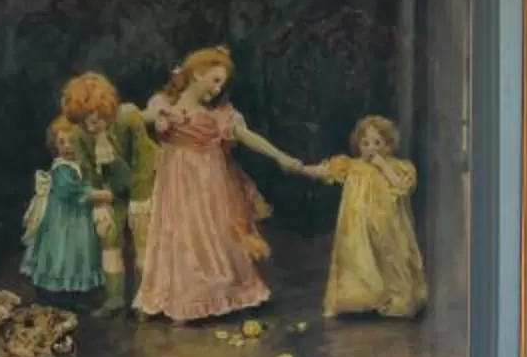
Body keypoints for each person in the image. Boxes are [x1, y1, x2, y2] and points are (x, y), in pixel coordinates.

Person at [137, 46, 300, 324]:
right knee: (180, 233)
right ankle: (181, 296)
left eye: (221, 84)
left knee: (211, 231)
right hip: (176, 183)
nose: (217, 89)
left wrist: (281, 157)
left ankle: (216, 292)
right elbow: (141, 117)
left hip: (209, 182)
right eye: (214, 80)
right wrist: (162, 115)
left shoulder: (219, 114)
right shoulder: (164, 102)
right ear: (197, 74)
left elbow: (246, 136)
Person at [307, 115, 428, 320]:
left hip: (386, 224)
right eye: (365, 143)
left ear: (388, 145)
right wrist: (301, 168)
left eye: (377, 143)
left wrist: (383, 166)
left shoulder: (397, 167)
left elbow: (402, 187)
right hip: (357, 225)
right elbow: (326, 170)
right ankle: (361, 299)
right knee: (358, 260)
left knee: (389, 258)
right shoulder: (352, 166)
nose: (371, 148)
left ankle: (396, 299)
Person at [59, 71, 158, 309]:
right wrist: (100, 205)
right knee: (109, 238)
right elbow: (88, 170)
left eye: (94, 118)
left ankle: (146, 299)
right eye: (84, 121)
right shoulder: (81, 135)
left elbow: (144, 161)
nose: (90, 126)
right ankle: (114, 299)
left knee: (144, 239)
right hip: (114, 191)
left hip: (146, 186)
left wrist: (140, 199)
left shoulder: (128, 119)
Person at [19, 119, 105, 305]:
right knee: (62, 252)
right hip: (62, 220)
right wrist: (102, 194)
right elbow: (72, 191)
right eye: (61, 142)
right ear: (55, 145)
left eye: (72, 141)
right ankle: (57, 293)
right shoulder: (61, 168)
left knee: (79, 253)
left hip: (79, 217)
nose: (67, 147)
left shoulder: (81, 164)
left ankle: (74, 293)